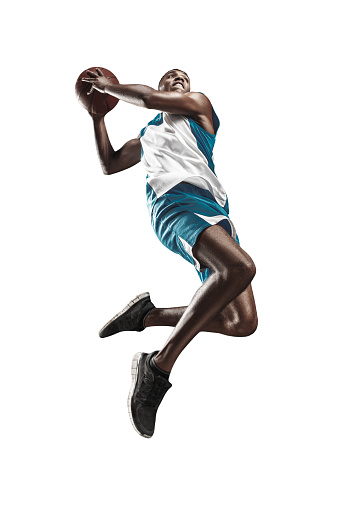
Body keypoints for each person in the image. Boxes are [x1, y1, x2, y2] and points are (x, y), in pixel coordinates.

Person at [82, 68, 258, 438]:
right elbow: (110, 163)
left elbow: (146, 98)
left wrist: (108, 88)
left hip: (215, 213)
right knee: (241, 267)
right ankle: (158, 368)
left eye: (183, 77)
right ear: (160, 85)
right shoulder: (148, 135)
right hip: (174, 204)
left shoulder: (197, 107)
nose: (178, 78)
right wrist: (98, 117)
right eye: (169, 76)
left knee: (242, 322)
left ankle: (146, 314)